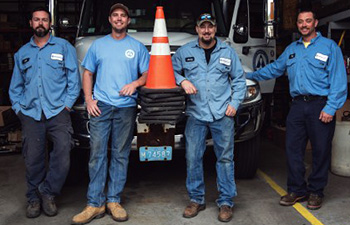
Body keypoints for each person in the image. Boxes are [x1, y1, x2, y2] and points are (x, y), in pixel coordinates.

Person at [246, 9, 347, 210]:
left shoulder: (329, 48)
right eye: (300, 21)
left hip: (320, 105)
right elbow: (275, 68)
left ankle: (316, 192)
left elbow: (339, 81)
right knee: (293, 150)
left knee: (320, 151)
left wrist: (330, 107)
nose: (304, 25)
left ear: (315, 23)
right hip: (298, 106)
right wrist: (250, 75)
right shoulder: (292, 49)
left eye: (308, 21)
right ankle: (297, 190)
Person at [72, 3, 149, 224]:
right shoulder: (98, 46)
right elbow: (87, 73)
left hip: (126, 107)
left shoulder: (137, 47)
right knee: (97, 154)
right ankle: (94, 204)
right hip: (101, 106)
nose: (119, 19)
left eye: (123, 16)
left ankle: (114, 201)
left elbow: (146, 74)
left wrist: (134, 83)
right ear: (110, 19)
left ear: (128, 21)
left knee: (120, 154)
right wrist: (88, 100)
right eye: (115, 15)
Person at [172, 13, 246, 222]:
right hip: (196, 113)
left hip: (222, 114)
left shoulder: (227, 52)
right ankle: (196, 199)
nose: (206, 31)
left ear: (214, 30)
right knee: (192, 157)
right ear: (197, 29)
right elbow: (170, 70)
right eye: (202, 27)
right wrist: (182, 81)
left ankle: (225, 203)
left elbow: (239, 80)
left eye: (210, 27)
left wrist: (234, 104)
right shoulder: (185, 51)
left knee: (225, 159)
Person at [8, 7, 80, 218]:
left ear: (50, 24)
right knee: (33, 158)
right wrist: (19, 109)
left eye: (44, 20)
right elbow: (16, 87)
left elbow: (73, 80)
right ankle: (33, 198)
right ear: (31, 23)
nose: (41, 23)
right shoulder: (22, 53)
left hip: (57, 111)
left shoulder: (64, 47)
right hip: (31, 113)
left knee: (63, 153)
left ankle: (48, 192)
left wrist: (67, 104)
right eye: (37, 20)